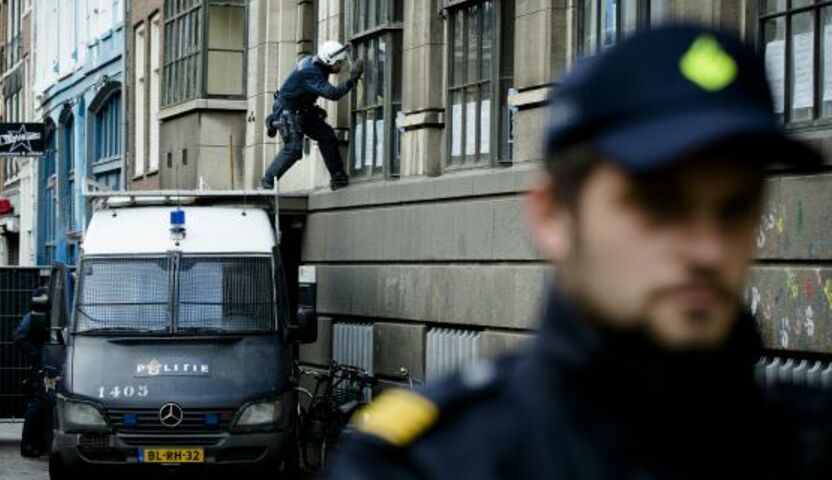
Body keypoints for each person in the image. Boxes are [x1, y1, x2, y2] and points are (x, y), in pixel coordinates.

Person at [326, 25, 832, 479]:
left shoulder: (810, 444)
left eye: (734, 209)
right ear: (552, 216)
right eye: (658, 205)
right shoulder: (428, 463)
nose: (706, 249)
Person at [261, 40, 364, 191]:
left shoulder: (318, 66)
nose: (341, 66)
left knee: (326, 135)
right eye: (339, 63)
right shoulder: (310, 70)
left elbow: (304, 92)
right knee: (294, 149)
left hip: (301, 109)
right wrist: (351, 81)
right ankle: (267, 181)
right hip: (287, 110)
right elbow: (332, 93)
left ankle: (338, 178)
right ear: (330, 60)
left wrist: (313, 108)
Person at [15, 286, 50, 458]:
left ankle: (38, 443)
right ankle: (29, 444)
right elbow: (19, 336)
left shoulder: (39, 317)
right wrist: (36, 354)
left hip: (47, 363)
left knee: (41, 404)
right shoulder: (34, 318)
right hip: (43, 365)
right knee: (38, 403)